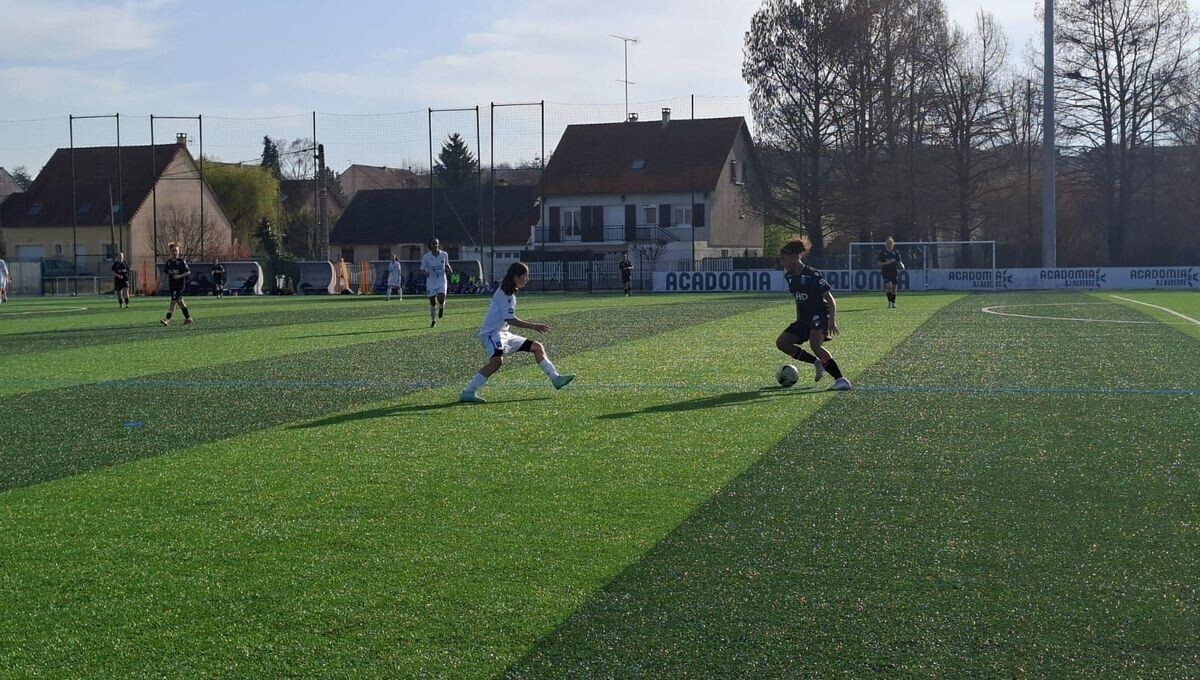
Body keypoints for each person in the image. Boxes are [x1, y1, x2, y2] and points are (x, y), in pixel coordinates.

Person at [460, 262, 575, 403]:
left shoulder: (510, 291)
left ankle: (555, 378)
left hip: (504, 334)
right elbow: (511, 320)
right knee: (496, 362)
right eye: (525, 276)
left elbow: (508, 321)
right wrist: (534, 326)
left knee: (537, 347)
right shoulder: (505, 294)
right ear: (515, 277)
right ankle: (468, 392)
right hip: (492, 334)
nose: (527, 279)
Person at [775, 237, 850, 390]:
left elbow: (829, 299)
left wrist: (831, 321)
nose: (782, 263)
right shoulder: (789, 276)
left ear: (795, 257)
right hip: (804, 318)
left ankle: (841, 380)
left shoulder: (813, 275)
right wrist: (799, 320)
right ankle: (817, 362)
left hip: (819, 314)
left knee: (815, 345)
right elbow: (798, 299)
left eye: (784, 259)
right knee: (782, 343)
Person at [421, 238, 453, 327]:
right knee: (432, 302)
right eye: (433, 244)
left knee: (441, 297)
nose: (435, 245)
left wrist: (449, 269)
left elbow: (446, 264)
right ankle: (433, 320)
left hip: (441, 279)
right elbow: (422, 268)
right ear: (430, 245)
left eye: (436, 243)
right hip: (431, 280)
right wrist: (425, 273)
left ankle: (441, 307)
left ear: (438, 244)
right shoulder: (426, 257)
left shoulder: (444, 254)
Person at [160, 242, 193, 326]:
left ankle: (167, 319)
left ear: (178, 251)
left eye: (176, 250)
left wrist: (179, 276)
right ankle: (188, 318)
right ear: (170, 252)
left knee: (173, 301)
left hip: (179, 285)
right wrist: (162, 282)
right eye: (173, 251)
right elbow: (165, 273)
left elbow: (188, 272)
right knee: (180, 302)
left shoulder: (181, 262)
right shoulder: (168, 263)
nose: (175, 252)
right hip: (172, 285)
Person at [878, 237, 905, 308]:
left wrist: (902, 265)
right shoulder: (883, 252)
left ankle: (893, 303)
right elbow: (879, 263)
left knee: (894, 287)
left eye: (890, 243)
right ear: (885, 244)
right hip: (886, 271)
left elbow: (899, 261)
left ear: (893, 244)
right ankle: (889, 302)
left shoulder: (895, 252)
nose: (889, 244)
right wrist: (888, 262)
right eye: (887, 243)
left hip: (894, 271)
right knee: (888, 287)